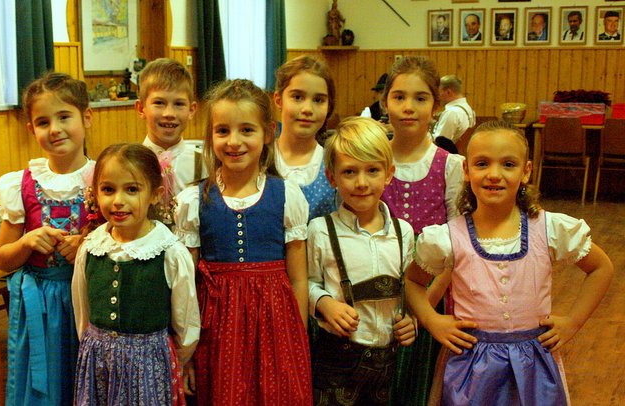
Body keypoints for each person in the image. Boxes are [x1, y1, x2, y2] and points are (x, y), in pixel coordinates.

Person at [407, 120, 614, 405]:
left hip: (534, 365)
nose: (494, 174)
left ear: (526, 171)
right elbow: (412, 281)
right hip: (470, 366)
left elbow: (601, 268)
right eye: (482, 164)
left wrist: (572, 322)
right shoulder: (447, 237)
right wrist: (432, 320)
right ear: (466, 170)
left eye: (508, 164)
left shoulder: (549, 228)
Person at [175, 79, 312, 405]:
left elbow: (298, 278)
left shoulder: (286, 195)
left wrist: (298, 340)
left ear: (268, 133)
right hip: (217, 330)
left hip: (276, 326)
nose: (233, 141)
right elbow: (186, 286)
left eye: (246, 130)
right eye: (222, 131)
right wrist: (186, 353)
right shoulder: (194, 200)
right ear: (210, 136)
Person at [0, 72, 96, 405]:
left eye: (64, 117)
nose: (54, 129)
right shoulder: (20, 184)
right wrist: (26, 243)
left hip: (89, 302)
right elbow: (2, 259)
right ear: (31, 129)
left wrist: (86, 244)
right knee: (46, 387)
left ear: (87, 117)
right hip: (40, 307)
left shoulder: (104, 179)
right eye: (43, 122)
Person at [72, 143, 200, 405]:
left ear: (155, 194)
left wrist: (175, 358)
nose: (118, 200)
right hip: (98, 361)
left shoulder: (170, 252)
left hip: (148, 365)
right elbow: (82, 312)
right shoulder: (91, 247)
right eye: (108, 189)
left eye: (132, 189)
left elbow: (186, 321)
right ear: (95, 193)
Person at [308, 117, 416, 405]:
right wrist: (323, 303)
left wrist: (411, 321)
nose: (361, 183)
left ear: (389, 174)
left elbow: (409, 290)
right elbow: (305, 282)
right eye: (349, 172)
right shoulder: (320, 231)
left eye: (372, 170)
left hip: (386, 366)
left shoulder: (403, 233)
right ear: (332, 177)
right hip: (335, 365)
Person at [380, 56, 465, 406]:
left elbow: (457, 247)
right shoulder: (373, 161)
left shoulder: (450, 166)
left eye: (420, 98)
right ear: (385, 102)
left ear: (436, 106)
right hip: (379, 295)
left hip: (433, 296)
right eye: (399, 97)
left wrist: (421, 313)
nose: (408, 107)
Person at [274, 55, 337, 220]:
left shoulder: (334, 163)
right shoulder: (260, 160)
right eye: (297, 97)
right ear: (279, 100)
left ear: (328, 106)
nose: (307, 109)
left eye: (318, 100)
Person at [137, 58, 202, 198]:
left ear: (191, 110)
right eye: (159, 103)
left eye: (179, 104)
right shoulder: (130, 163)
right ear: (141, 108)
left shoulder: (204, 165)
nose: (169, 114)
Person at [433, 75, 476, 144]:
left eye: (438, 93)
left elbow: (439, 143)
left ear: (448, 92)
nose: (437, 97)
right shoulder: (469, 109)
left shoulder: (451, 113)